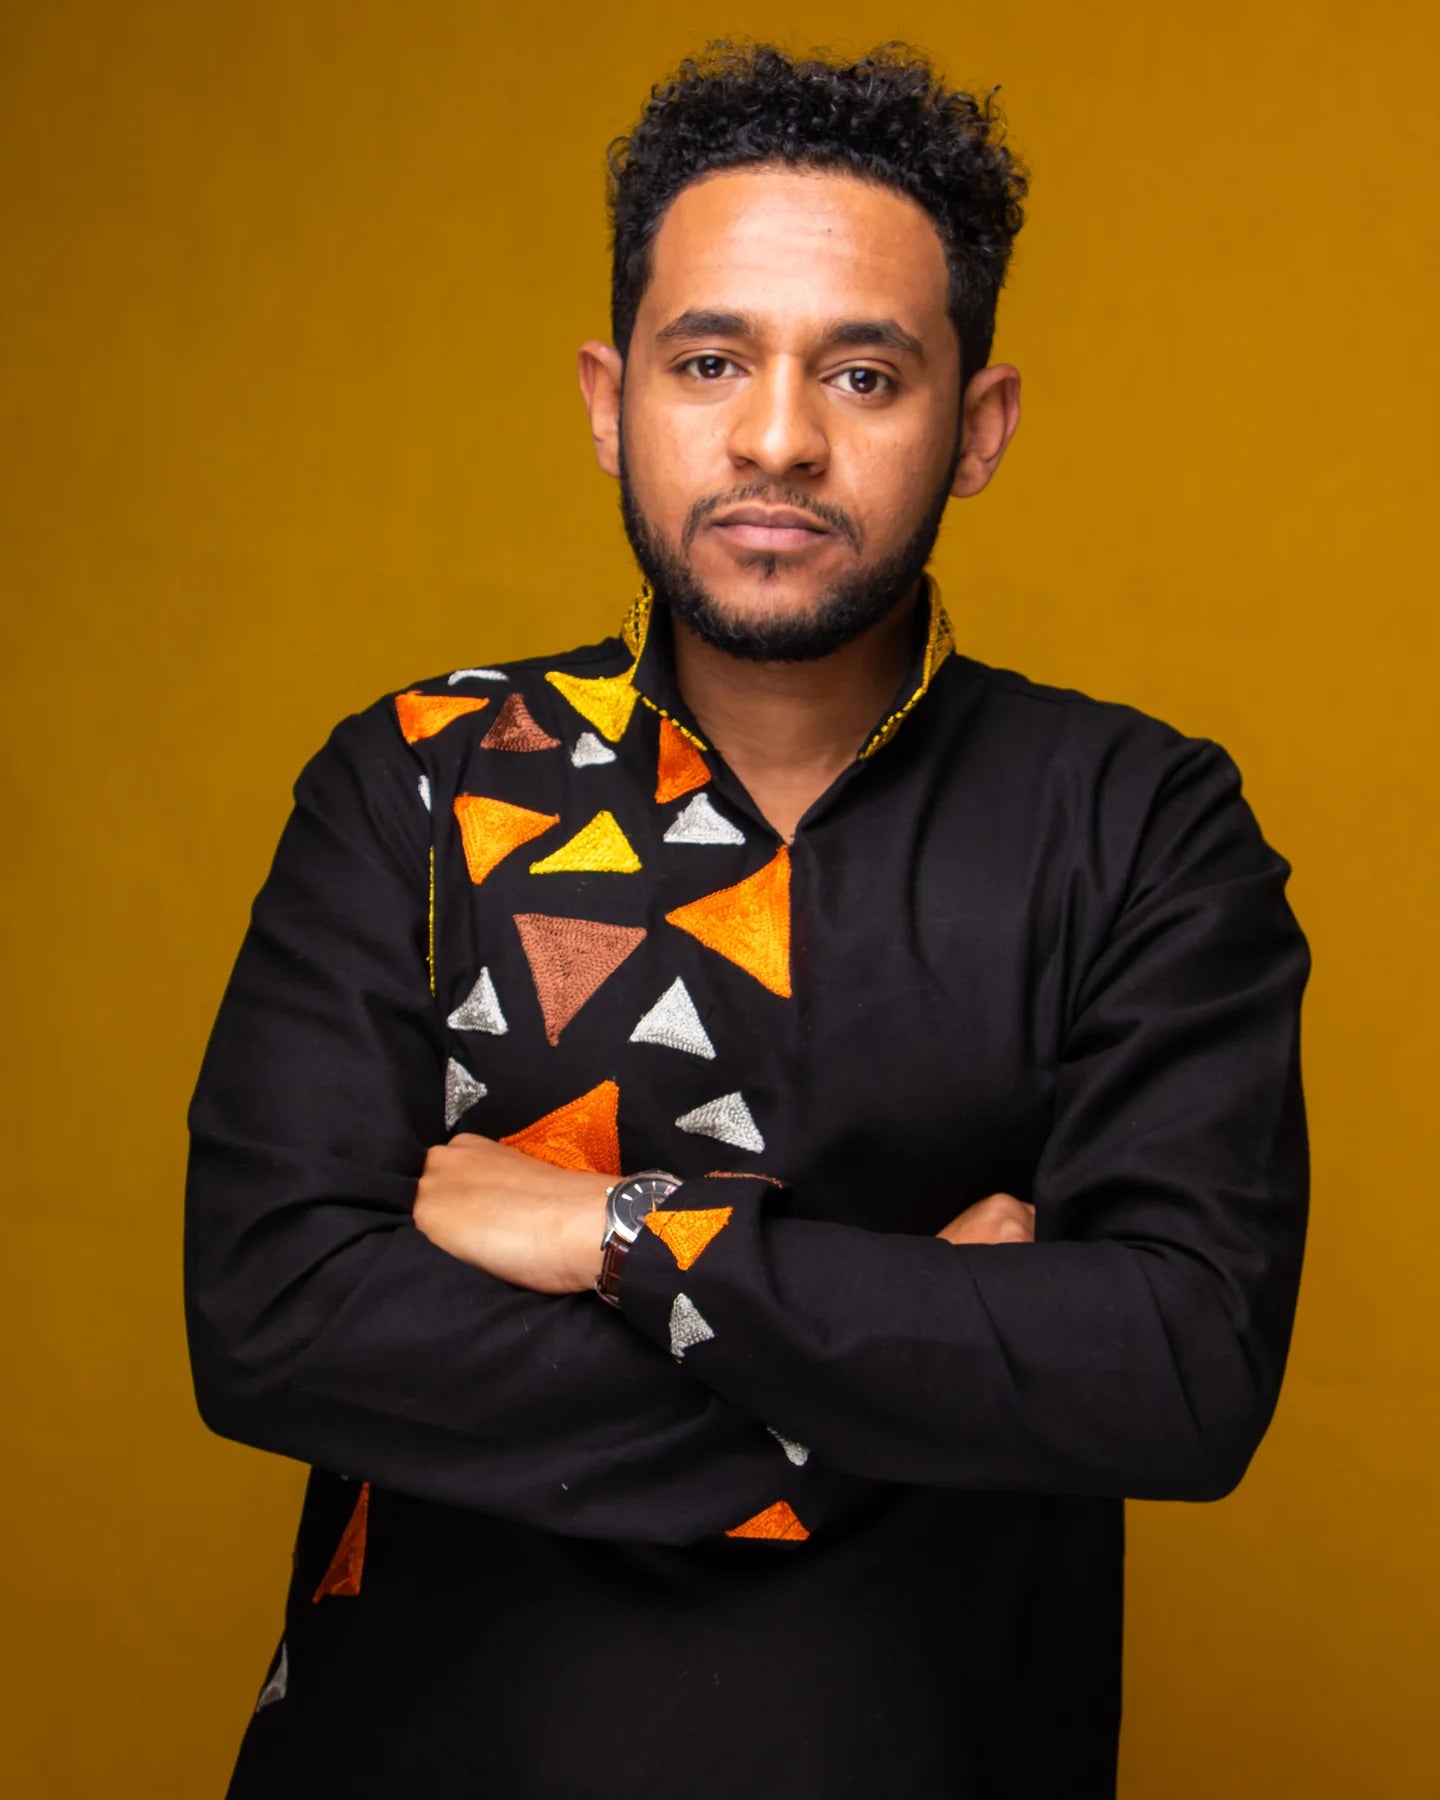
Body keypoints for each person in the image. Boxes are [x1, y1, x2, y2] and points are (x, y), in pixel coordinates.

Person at [184, 40, 1310, 1799]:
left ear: (978, 426)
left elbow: (1174, 1369)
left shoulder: (1139, 824)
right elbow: (272, 1320)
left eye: (864, 372)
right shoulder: (414, 779)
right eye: (710, 360)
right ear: (608, 397)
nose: (778, 436)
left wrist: (614, 1234)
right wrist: (928, 1349)